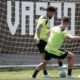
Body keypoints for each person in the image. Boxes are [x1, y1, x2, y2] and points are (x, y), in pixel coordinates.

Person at [34, 6, 63, 77]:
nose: (53, 15)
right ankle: (61, 68)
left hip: (40, 40)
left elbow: (41, 28)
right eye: (53, 13)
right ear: (50, 12)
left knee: (44, 58)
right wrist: (37, 36)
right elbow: (38, 27)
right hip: (42, 40)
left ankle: (45, 74)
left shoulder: (44, 18)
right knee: (56, 51)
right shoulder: (45, 18)